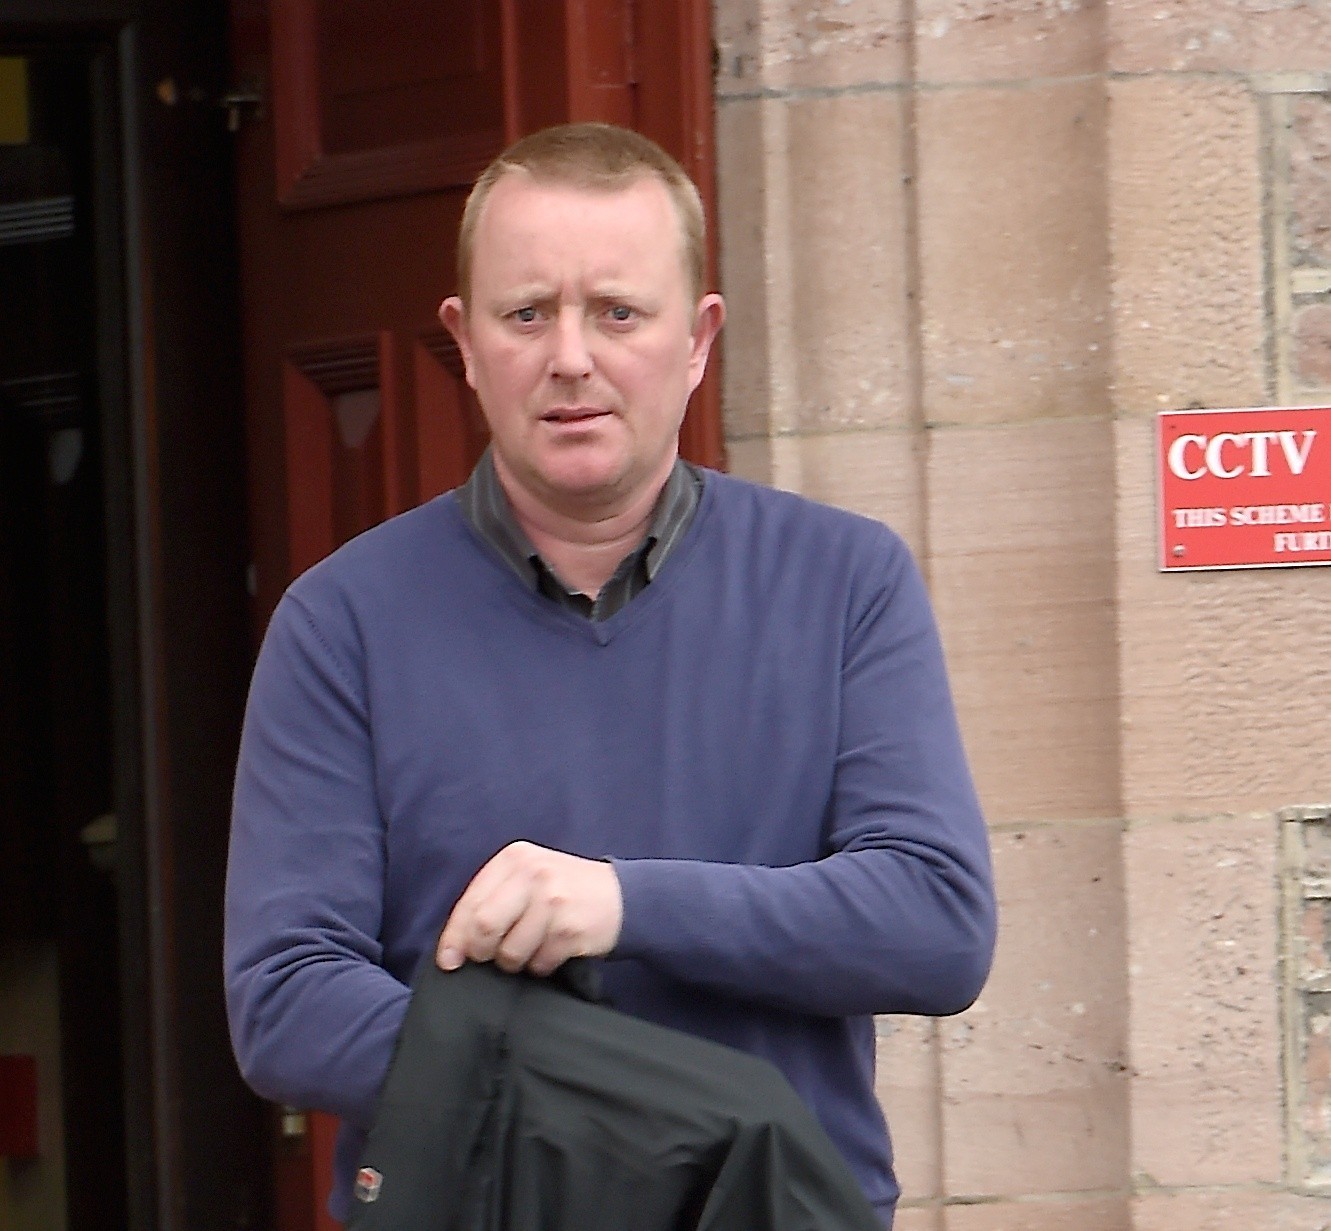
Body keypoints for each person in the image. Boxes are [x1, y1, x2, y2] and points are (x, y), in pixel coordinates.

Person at [224, 122, 996, 1228]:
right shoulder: (342, 622)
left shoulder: (843, 580)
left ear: (697, 338)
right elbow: (288, 1002)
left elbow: (934, 922)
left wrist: (623, 901)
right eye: (525, 312)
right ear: (464, 339)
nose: (570, 356)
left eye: (617, 312)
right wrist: (657, 1117)